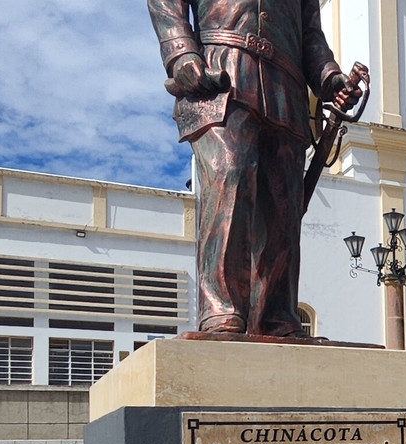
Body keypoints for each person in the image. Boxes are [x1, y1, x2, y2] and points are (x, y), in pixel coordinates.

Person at [147, 0, 362, 336]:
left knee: (284, 206)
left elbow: (311, 35)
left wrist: (329, 77)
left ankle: (277, 316)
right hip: (221, 77)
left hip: (286, 88)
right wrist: (180, 53)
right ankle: (221, 310)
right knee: (229, 177)